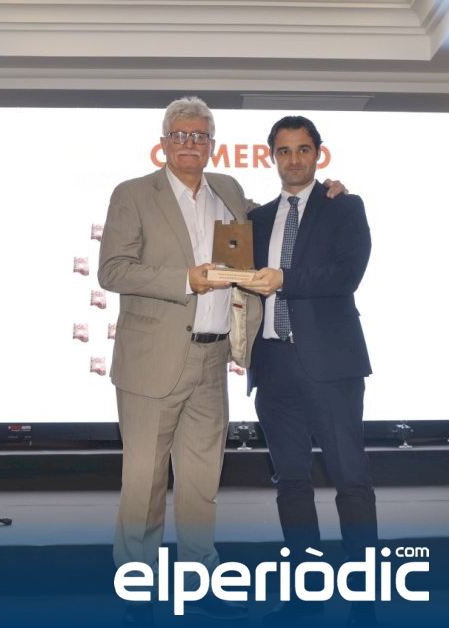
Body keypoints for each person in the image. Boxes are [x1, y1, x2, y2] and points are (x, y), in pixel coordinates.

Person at [98, 98, 343, 624]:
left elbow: (278, 217)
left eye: (200, 136)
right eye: (180, 135)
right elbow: (113, 270)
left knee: (200, 483)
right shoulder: (132, 194)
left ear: (212, 144)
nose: (190, 144)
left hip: (213, 362)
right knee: (143, 483)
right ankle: (137, 586)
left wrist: (326, 196)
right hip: (150, 363)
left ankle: (198, 579)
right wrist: (185, 279)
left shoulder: (229, 191)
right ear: (163, 143)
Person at [239, 116, 377, 626]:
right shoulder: (256, 219)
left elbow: (347, 274)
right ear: (271, 156)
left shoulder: (345, 206)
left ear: (319, 154)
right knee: (291, 483)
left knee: (351, 481)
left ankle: (364, 600)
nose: (294, 159)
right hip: (273, 366)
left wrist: (284, 279)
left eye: (303, 149)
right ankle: (306, 594)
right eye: (284, 150)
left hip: (332, 367)